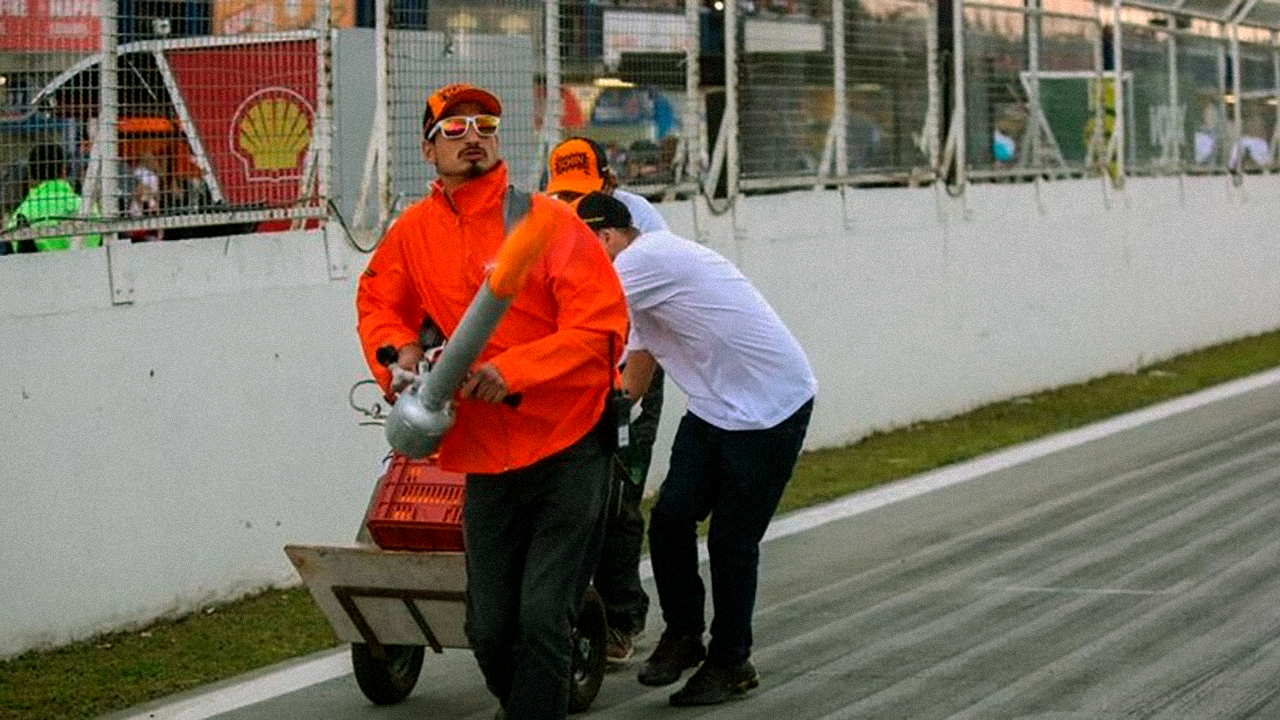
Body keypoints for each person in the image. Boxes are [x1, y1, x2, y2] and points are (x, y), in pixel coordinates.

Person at [356, 83, 629, 720]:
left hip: (568, 441)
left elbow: (601, 330)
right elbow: (379, 301)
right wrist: (399, 354)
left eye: (484, 125)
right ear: (429, 150)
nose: (472, 137)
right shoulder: (414, 232)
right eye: (454, 129)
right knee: (488, 626)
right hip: (485, 454)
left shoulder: (547, 224)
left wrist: (512, 371)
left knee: (543, 616)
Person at [576, 192, 816, 707]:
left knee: (731, 541)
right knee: (669, 519)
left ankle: (732, 662)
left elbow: (573, 312)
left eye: (582, 249)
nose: (576, 262)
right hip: (714, 408)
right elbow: (635, 374)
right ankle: (684, 635)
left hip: (772, 408)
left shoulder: (644, 260)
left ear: (607, 238)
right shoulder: (642, 284)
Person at [545, 135, 667, 664]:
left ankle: (621, 616)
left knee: (618, 495)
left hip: (633, 360)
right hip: (570, 365)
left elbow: (646, 325)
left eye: (584, 192)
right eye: (564, 193)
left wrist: (625, 395)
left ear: (610, 184)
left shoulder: (643, 227)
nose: (573, 204)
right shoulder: (545, 218)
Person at [544, 136, 668, 235]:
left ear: (608, 182)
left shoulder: (637, 211)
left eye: (585, 194)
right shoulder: (549, 217)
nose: (577, 202)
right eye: (567, 195)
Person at [2, 144, 100, 254]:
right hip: (90, 263)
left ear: (32, 174)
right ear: (63, 170)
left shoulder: (23, 213)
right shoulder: (88, 206)